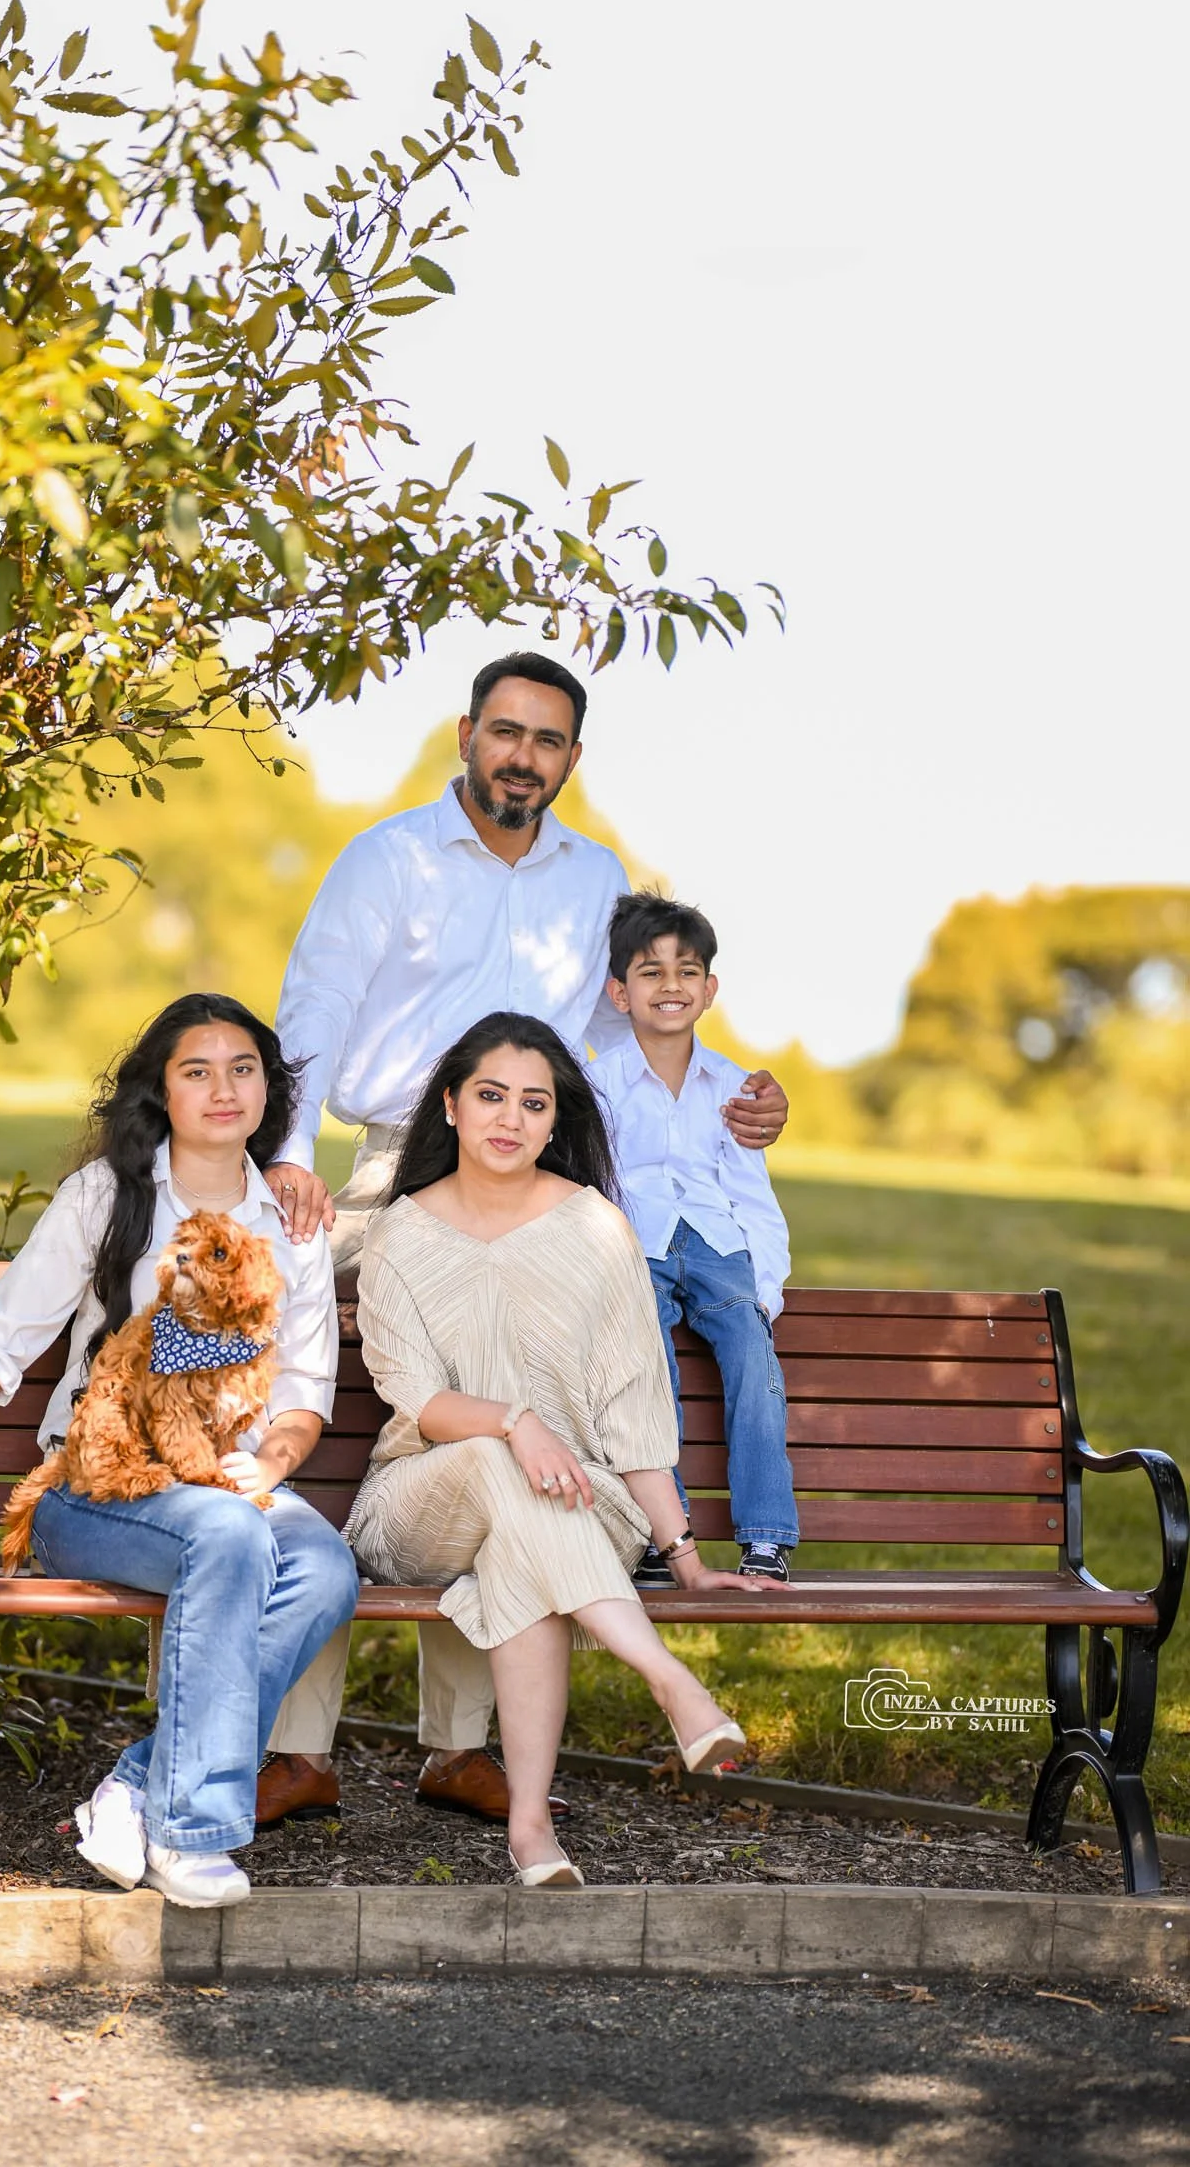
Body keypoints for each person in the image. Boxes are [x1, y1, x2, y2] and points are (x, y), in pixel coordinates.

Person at [257, 649, 793, 1828]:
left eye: (547, 741)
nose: (522, 758)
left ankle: (458, 1747)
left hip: (530, 1169)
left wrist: (734, 1099)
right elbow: (315, 1009)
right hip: (398, 1156)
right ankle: (293, 1744)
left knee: (493, 1408)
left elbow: (645, 1010)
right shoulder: (388, 859)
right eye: (506, 733)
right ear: (466, 735)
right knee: (324, 1404)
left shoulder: (593, 878)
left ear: (571, 759)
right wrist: (289, 1159)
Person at [0, 995, 358, 1909]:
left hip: (221, 1486)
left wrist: (276, 1463)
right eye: (195, 1071)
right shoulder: (106, 1197)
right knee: (229, 1537)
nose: (222, 1089)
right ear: (158, 1093)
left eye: (242, 1069)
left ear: (268, 1090)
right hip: (96, 1487)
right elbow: (2, 1343)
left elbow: (304, 1393)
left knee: (324, 1567)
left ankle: (135, 1786)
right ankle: (194, 1833)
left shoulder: (290, 1222)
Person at [344, 1012, 777, 1886]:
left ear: (555, 1120)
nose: (510, 1118)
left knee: (527, 1548)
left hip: (575, 1504)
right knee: (502, 1469)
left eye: (533, 1103)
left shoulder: (596, 1228)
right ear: (452, 1106)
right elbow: (418, 1401)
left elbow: (632, 1410)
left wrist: (683, 1557)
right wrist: (514, 1420)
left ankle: (531, 1829)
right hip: (422, 1499)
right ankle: (668, 1681)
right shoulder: (399, 1234)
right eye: (491, 1096)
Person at [589, 894, 799, 1581]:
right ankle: (662, 1530)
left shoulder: (734, 1087)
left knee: (750, 1355)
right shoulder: (597, 1085)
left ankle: (765, 1535)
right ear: (618, 992)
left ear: (708, 990)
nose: (670, 985)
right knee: (647, 1362)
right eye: (649, 972)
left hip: (717, 1245)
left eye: (686, 971)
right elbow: (593, 1186)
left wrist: (763, 1290)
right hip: (634, 1249)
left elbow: (751, 1198)